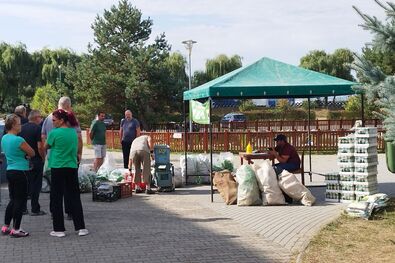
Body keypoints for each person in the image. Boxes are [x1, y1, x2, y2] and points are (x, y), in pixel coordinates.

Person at [45, 109, 88, 237]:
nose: (52, 122)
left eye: (54, 120)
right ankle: (81, 228)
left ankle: (59, 230)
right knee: (74, 196)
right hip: (71, 166)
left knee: (57, 198)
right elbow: (77, 146)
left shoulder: (54, 133)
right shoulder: (73, 133)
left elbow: (46, 146)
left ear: (61, 120)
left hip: (57, 167)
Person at [42, 96, 83, 220]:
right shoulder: (69, 118)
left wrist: (46, 153)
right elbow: (79, 138)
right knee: (70, 188)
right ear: (68, 105)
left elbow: (43, 136)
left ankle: (54, 212)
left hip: (53, 158)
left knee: (55, 188)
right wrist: (79, 154)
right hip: (70, 157)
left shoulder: (48, 118)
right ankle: (70, 212)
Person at [1, 114, 35, 237]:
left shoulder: (4, 138)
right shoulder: (19, 140)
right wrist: (25, 155)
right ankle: (16, 228)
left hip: (10, 170)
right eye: (19, 124)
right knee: (20, 201)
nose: (21, 126)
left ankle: (5, 226)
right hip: (21, 171)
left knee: (13, 199)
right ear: (14, 125)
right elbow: (32, 152)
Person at [19, 110, 46, 216]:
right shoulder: (38, 129)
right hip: (36, 160)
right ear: (36, 118)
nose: (41, 119)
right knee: (36, 185)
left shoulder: (21, 128)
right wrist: (43, 157)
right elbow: (40, 146)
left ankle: (23, 208)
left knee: (25, 184)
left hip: (24, 159)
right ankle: (35, 208)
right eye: (40, 117)